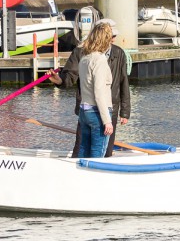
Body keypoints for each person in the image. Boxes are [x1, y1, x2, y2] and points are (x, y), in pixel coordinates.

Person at [50, 18, 130, 158]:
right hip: (98, 111)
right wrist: (59, 80)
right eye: (111, 36)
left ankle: (86, 172)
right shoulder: (85, 54)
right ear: (102, 37)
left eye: (114, 36)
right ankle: (93, 173)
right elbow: (74, 78)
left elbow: (123, 82)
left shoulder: (118, 54)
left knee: (98, 151)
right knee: (95, 151)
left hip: (97, 109)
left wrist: (125, 111)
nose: (113, 39)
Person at [73, 21, 115, 158]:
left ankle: (80, 175)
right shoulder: (100, 61)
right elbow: (99, 93)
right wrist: (107, 120)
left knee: (83, 149)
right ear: (106, 40)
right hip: (97, 112)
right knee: (98, 152)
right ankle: (94, 176)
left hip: (84, 110)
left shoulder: (84, 59)